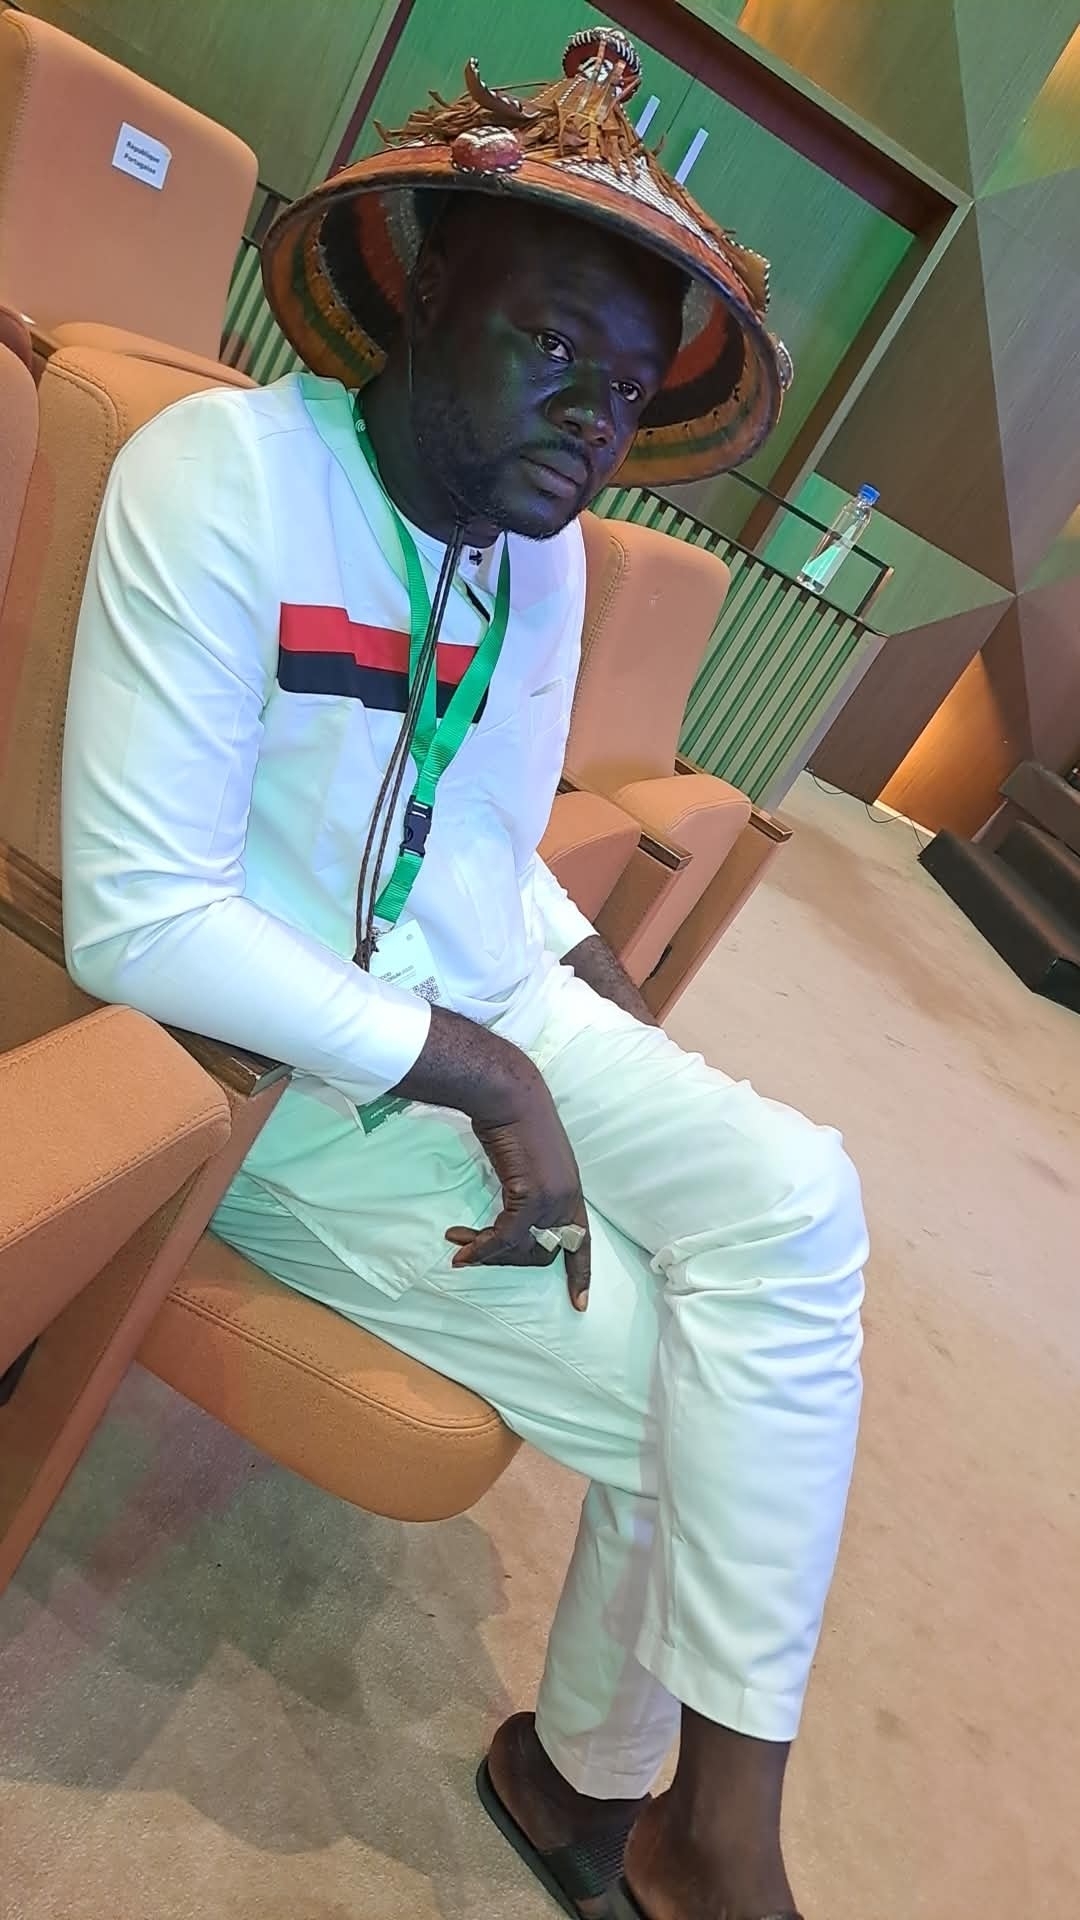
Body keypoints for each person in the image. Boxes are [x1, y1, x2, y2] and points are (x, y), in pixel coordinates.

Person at [61, 31, 867, 1920]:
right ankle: (608, 1796)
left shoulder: (543, 553)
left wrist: (608, 1039)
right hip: (256, 1079)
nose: (593, 420)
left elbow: (490, 861)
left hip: (467, 1000)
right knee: (704, 1399)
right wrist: (494, 1080)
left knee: (797, 1201)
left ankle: (679, 1820)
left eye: (628, 388)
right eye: (554, 347)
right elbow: (139, 919)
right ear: (426, 281)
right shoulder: (222, 479)